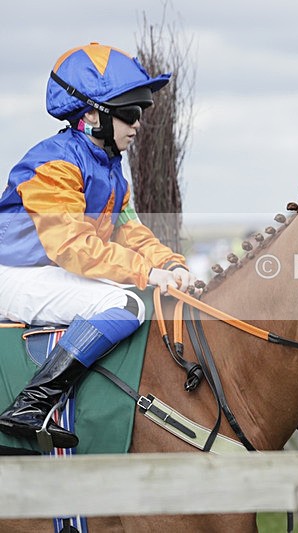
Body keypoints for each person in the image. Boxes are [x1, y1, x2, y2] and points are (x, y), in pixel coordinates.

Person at [0, 43, 195, 449]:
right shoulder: (54, 163)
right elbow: (72, 247)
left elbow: (132, 233)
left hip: (45, 272)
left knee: (138, 295)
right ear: (90, 114)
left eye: (140, 112)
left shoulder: (110, 170)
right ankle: (32, 404)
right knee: (124, 305)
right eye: (129, 112)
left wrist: (171, 264)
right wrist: (146, 273)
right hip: (14, 274)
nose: (138, 124)